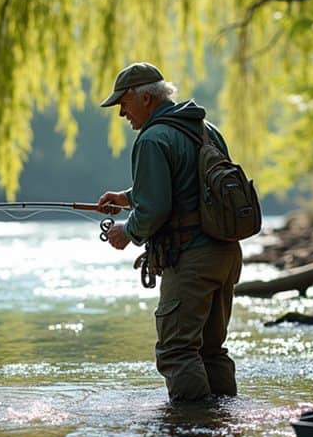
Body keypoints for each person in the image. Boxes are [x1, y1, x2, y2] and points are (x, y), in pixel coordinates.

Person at [96, 62, 243, 402]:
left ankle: (192, 431)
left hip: (192, 258)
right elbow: (193, 188)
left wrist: (127, 233)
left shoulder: (152, 139)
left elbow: (156, 209)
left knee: (177, 350)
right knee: (211, 349)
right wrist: (127, 198)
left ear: (146, 98)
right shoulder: (206, 129)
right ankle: (224, 425)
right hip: (225, 253)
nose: (121, 113)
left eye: (123, 103)